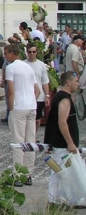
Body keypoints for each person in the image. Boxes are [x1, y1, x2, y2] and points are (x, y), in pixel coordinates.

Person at [4, 43, 39, 186]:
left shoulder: (11, 68)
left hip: (19, 107)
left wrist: (11, 108)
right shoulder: (29, 67)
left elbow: (10, 90)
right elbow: (37, 90)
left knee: (18, 142)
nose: (5, 56)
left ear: (12, 53)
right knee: (30, 141)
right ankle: (28, 174)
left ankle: (17, 175)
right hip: (31, 106)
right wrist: (32, 101)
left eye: (6, 53)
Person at [43, 71, 80, 205]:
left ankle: (58, 199)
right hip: (62, 143)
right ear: (68, 82)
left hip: (61, 143)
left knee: (60, 172)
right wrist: (70, 143)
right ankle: (55, 200)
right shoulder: (64, 99)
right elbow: (62, 122)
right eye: (76, 81)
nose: (78, 84)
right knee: (60, 173)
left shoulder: (62, 97)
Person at [24, 42, 50, 127]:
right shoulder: (23, 64)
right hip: (26, 95)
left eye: (34, 52)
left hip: (39, 97)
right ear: (27, 52)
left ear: (36, 52)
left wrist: (47, 95)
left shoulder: (41, 65)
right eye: (30, 52)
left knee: (37, 119)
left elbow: (45, 81)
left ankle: (34, 137)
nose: (32, 54)